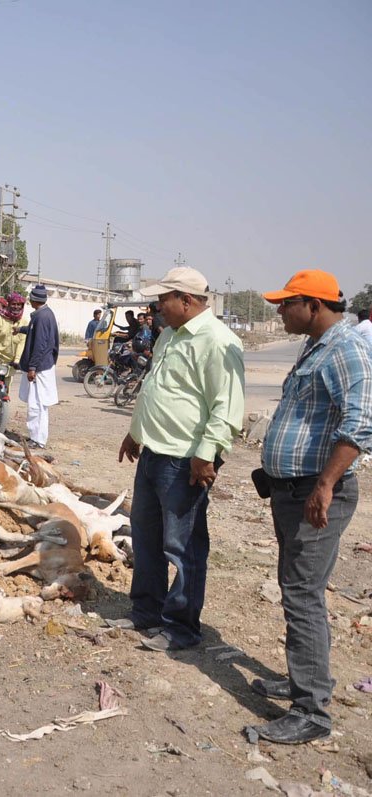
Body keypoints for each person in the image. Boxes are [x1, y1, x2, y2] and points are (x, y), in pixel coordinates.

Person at [243, 270, 370, 746]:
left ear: (313, 305)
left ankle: (311, 710)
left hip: (317, 496)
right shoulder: (317, 346)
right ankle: (303, 681)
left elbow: (361, 423)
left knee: (301, 594)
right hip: (291, 491)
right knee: (297, 586)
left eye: (286, 303)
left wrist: (325, 485)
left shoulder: (346, 349)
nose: (279, 311)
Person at [116, 267, 245, 654]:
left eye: (163, 300)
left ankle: (182, 628)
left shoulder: (218, 341)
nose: (157, 307)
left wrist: (207, 455)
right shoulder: (169, 336)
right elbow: (158, 388)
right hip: (154, 451)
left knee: (183, 546)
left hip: (185, 460)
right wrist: (136, 432)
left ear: (186, 300)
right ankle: (146, 613)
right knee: (146, 537)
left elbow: (227, 407)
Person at [16, 285, 60, 448]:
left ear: (34, 300)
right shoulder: (45, 314)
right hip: (43, 364)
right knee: (37, 404)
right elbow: (35, 332)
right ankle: (35, 437)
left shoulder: (42, 316)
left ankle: (38, 440)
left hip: (40, 367)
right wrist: (20, 329)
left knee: (37, 405)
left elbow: (40, 344)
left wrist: (32, 367)